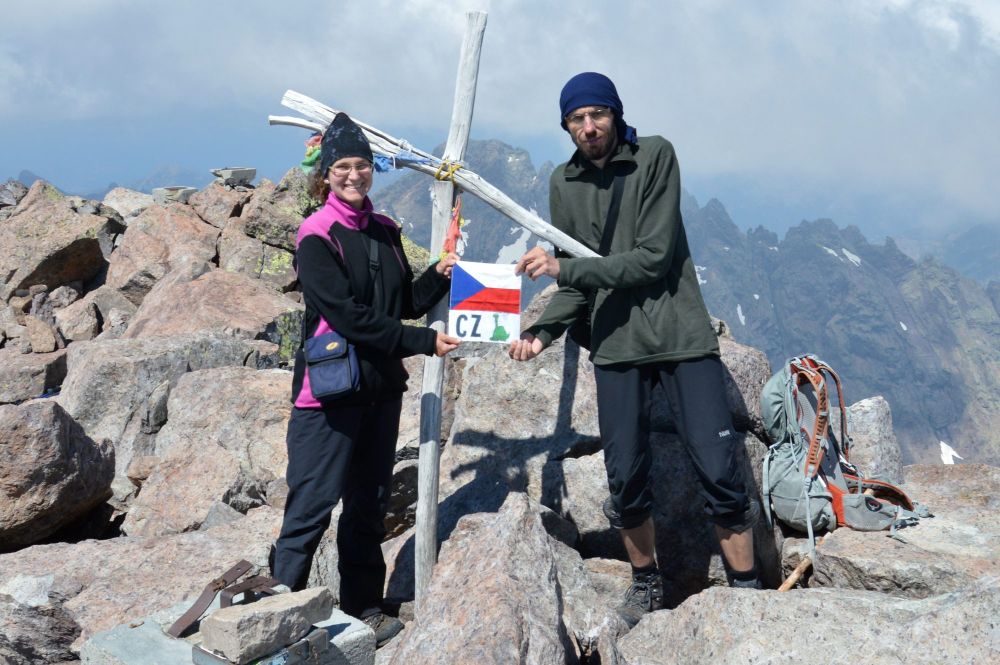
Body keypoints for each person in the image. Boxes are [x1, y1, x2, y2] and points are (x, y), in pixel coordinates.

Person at [509, 72, 760, 628]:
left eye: (597, 114)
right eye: (576, 119)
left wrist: (562, 266)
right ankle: (647, 583)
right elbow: (577, 285)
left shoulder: (655, 156)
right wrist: (542, 333)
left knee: (719, 469)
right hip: (617, 344)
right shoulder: (563, 183)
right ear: (566, 126)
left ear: (616, 114)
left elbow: (653, 256)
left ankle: (747, 591)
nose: (589, 127)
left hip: (679, 335)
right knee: (624, 477)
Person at [273, 112, 460, 647]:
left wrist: (437, 276)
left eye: (362, 166)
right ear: (325, 175)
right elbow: (350, 318)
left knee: (368, 505)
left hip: (377, 389)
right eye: (342, 168)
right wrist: (422, 343)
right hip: (327, 396)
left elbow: (398, 302)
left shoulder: (384, 230)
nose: (354, 176)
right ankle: (276, 618)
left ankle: (364, 608)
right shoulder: (315, 236)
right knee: (310, 507)